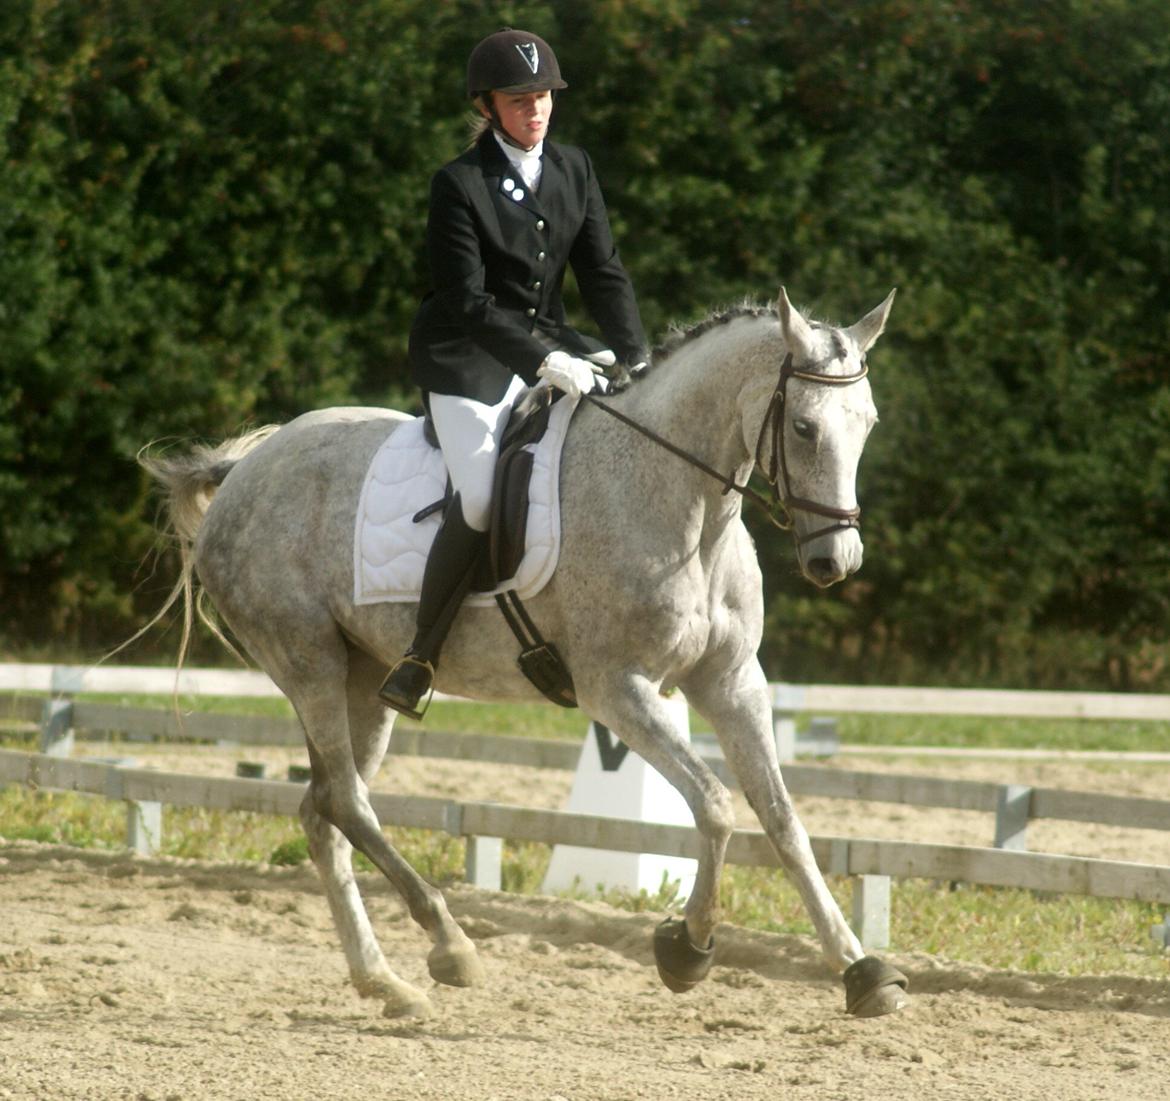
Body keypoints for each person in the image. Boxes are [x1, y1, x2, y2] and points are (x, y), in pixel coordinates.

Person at [377, 27, 651, 718]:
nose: (536, 110)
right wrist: (544, 361)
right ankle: (421, 653)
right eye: (520, 99)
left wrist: (636, 354)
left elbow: (603, 269)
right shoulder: (459, 183)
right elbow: (466, 301)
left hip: (552, 339)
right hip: (466, 357)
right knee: (476, 495)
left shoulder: (574, 168)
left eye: (544, 97)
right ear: (489, 105)